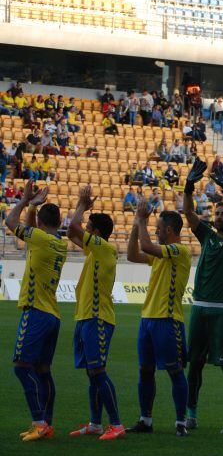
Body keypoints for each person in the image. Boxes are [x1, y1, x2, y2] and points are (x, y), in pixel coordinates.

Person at [182, 159, 223, 433]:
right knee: (194, 365)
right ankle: (191, 415)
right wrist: (188, 185)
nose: (220, 217)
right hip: (199, 309)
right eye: (217, 213)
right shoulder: (206, 236)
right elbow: (188, 212)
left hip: (222, 311)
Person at [7, 179, 68, 441]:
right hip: (52, 313)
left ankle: (39, 422)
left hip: (36, 311)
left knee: (22, 366)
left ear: (41, 224)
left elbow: (10, 222)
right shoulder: (59, 244)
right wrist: (34, 207)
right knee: (43, 370)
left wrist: (23, 202)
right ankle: (47, 424)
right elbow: (33, 230)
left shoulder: (40, 239)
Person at [126, 199, 192, 436]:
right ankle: (146, 420)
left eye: (158, 228)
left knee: (175, 371)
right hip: (148, 319)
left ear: (169, 231)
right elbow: (133, 255)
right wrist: (136, 224)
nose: (155, 231)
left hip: (168, 319)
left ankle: (181, 422)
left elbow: (146, 247)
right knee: (145, 370)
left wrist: (142, 220)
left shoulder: (179, 251)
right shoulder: (162, 254)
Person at [65, 186, 124, 441]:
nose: (85, 230)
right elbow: (72, 231)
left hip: (98, 318)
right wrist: (82, 210)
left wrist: (81, 205)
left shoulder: (105, 249)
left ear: (97, 234)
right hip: (86, 316)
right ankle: (95, 423)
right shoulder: (95, 250)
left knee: (98, 371)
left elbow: (75, 227)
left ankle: (117, 424)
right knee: (92, 372)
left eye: (89, 227)